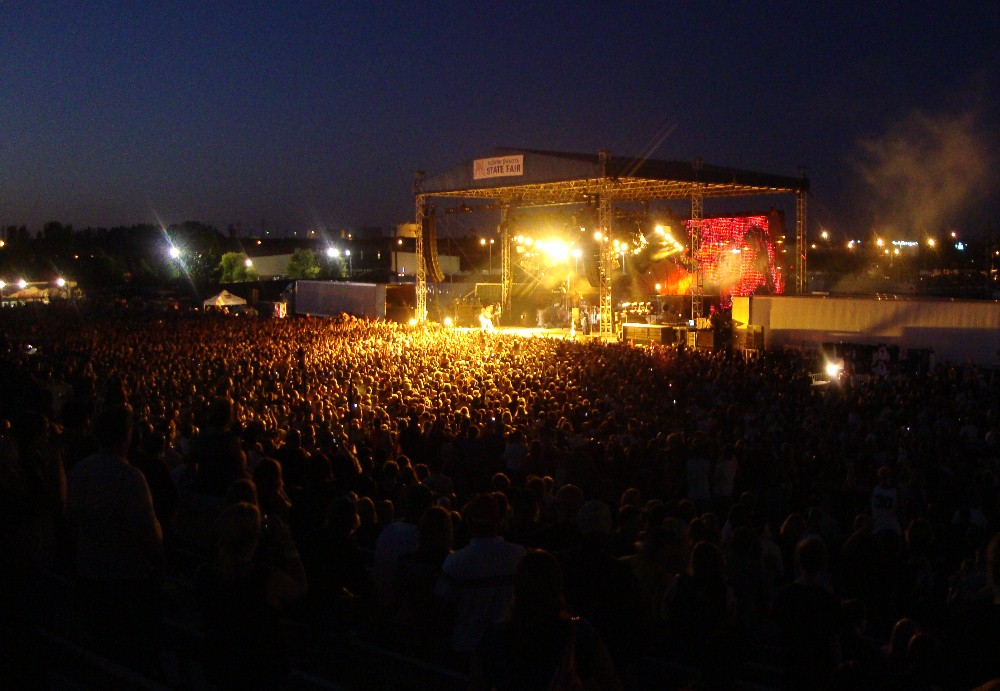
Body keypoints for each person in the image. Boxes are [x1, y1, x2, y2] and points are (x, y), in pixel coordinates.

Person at [66, 404, 165, 673]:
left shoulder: (80, 470)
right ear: (127, 436)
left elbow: (72, 520)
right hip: (124, 580)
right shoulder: (130, 477)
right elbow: (147, 532)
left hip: (88, 571)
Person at [470, 549, 621, 691]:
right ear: (558, 587)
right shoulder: (579, 633)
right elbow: (610, 682)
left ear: (517, 588)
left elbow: (477, 684)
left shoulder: (494, 636)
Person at [196, 501, 307, 690]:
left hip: (218, 665)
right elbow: (300, 588)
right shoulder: (266, 578)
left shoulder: (205, 573)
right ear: (256, 536)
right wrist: (288, 544)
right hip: (260, 671)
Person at [435, 493, 526, 657]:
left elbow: (444, 609)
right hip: (505, 647)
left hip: (465, 644)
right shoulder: (519, 556)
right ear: (500, 520)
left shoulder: (456, 561)